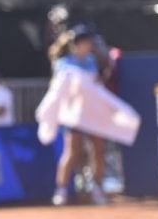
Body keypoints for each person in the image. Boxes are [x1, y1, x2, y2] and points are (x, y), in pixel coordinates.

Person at [48, 26, 108, 206]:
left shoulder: (91, 60)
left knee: (98, 150)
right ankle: (61, 190)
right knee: (72, 152)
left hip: (91, 112)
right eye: (87, 41)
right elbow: (59, 86)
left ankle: (97, 189)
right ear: (77, 44)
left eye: (90, 42)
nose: (90, 45)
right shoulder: (63, 63)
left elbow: (95, 85)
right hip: (73, 114)